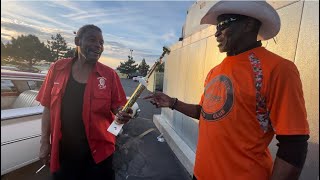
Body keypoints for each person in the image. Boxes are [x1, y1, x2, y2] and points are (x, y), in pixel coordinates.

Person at [144, 1, 309, 180]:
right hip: (200, 174)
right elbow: (205, 113)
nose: (216, 33)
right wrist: (172, 103)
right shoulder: (214, 71)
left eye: (223, 24)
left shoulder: (279, 69)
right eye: (216, 26)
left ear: (249, 25)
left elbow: (294, 145)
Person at [36, 24, 133, 180]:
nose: (98, 46)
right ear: (77, 41)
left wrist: (123, 115)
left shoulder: (109, 75)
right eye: (92, 39)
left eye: (101, 42)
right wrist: (44, 142)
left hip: (99, 156)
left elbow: (118, 108)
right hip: (63, 154)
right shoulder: (57, 69)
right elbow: (47, 107)